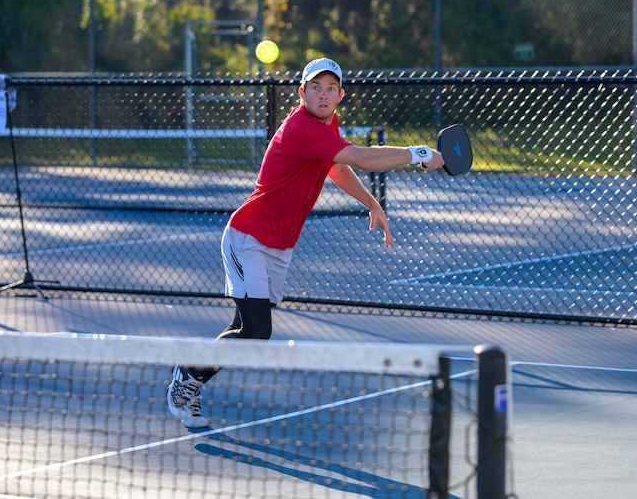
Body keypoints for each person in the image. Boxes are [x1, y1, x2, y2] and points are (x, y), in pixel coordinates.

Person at [167, 57, 445, 428]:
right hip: (248, 237)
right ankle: (187, 376)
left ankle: (190, 380)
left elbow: (335, 166)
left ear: (341, 95)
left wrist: (371, 202)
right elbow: (363, 159)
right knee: (256, 331)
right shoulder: (301, 127)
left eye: (331, 88)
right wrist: (419, 153)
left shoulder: (328, 124)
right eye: (316, 87)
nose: (324, 94)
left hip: (279, 244)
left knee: (246, 328)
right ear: (301, 93)